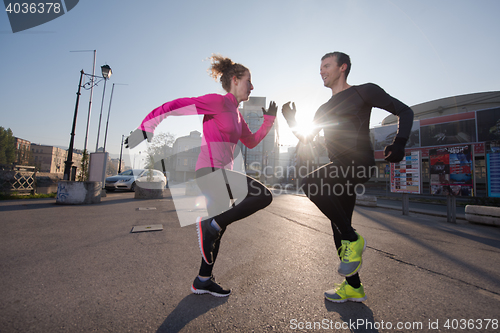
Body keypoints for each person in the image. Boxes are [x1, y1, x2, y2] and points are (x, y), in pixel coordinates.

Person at [126, 55, 277, 297]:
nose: (252, 86)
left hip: (223, 173)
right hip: (209, 170)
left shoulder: (237, 115)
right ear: (235, 80)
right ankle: (211, 227)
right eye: (249, 81)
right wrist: (147, 126)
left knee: (217, 230)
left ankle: (203, 279)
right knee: (262, 196)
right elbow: (175, 106)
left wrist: (269, 120)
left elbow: (251, 141)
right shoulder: (217, 102)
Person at [282, 52, 413, 303]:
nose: (321, 71)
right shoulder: (323, 108)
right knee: (337, 225)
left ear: (343, 67)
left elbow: (405, 112)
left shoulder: (364, 91)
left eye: (326, 66)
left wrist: (400, 143)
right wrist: (292, 121)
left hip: (358, 162)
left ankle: (355, 239)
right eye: (320, 67)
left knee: (311, 182)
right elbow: (309, 139)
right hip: (339, 167)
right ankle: (353, 287)